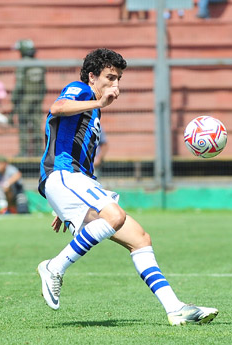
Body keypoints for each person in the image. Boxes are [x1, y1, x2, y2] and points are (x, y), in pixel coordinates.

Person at [36, 48, 218, 326]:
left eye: (119, 79)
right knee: (115, 216)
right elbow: (57, 108)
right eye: (110, 78)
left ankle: (175, 308)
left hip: (75, 182)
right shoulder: (80, 90)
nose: (116, 85)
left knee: (140, 239)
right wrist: (99, 104)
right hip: (62, 175)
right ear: (92, 76)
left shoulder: (92, 113)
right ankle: (54, 267)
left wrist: (63, 208)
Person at [11, 39, 46, 157]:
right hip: (37, 99)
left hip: (24, 100)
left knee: (23, 125)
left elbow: (19, 85)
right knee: (36, 125)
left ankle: (24, 152)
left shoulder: (22, 64)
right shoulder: (40, 64)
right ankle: (37, 152)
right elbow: (44, 86)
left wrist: (14, 99)